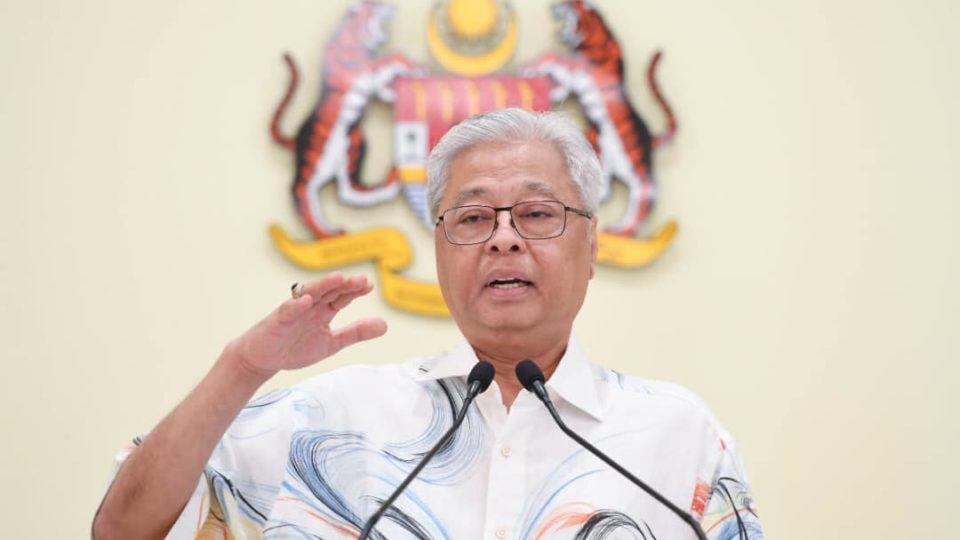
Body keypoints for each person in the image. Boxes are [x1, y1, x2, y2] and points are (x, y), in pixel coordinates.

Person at [93, 108, 764, 539]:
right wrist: (242, 368)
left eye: (535, 214)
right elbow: (123, 530)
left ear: (591, 248)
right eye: (473, 218)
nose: (504, 239)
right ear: (441, 249)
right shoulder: (329, 419)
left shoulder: (675, 436)